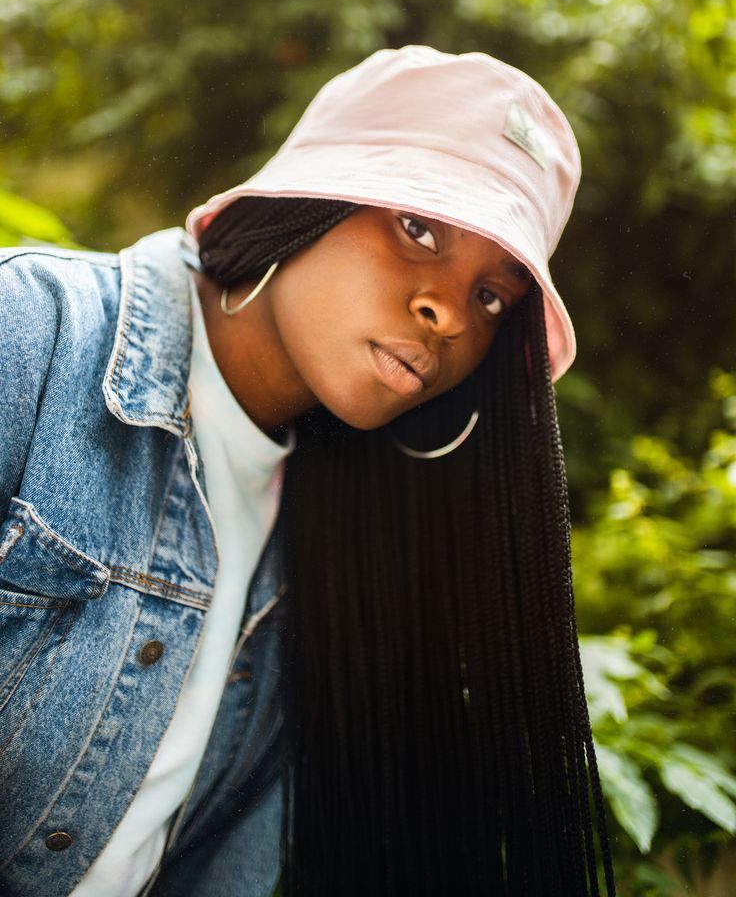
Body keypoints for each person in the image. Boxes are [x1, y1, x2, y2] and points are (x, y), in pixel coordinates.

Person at [0, 46, 616, 897]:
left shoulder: (350, 544)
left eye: (491, 296)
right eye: (419, 228)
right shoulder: (31, 337)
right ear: (309, 198)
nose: (445, 313)